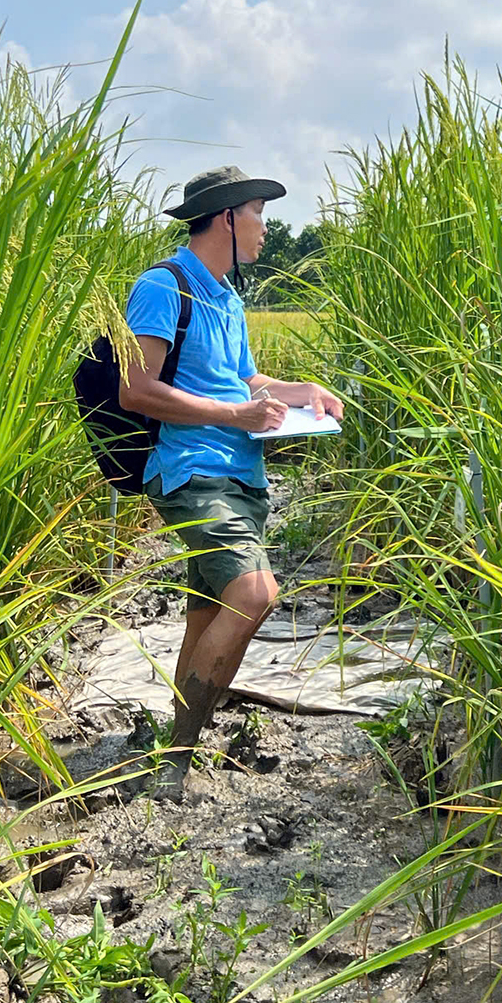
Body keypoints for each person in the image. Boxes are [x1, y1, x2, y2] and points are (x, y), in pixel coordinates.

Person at [118, 164, 343, 800]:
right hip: (192, 471)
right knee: (253, 592)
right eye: (257, 214)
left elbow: (242, 381)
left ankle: (173, 745)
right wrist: (234, 416)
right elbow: (135, 389)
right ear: (226, 219)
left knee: (209, 613)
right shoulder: (163, 287)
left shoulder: (228, 298)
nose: (266, 228)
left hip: (242, 472)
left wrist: (301, 391)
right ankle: (175, 764)